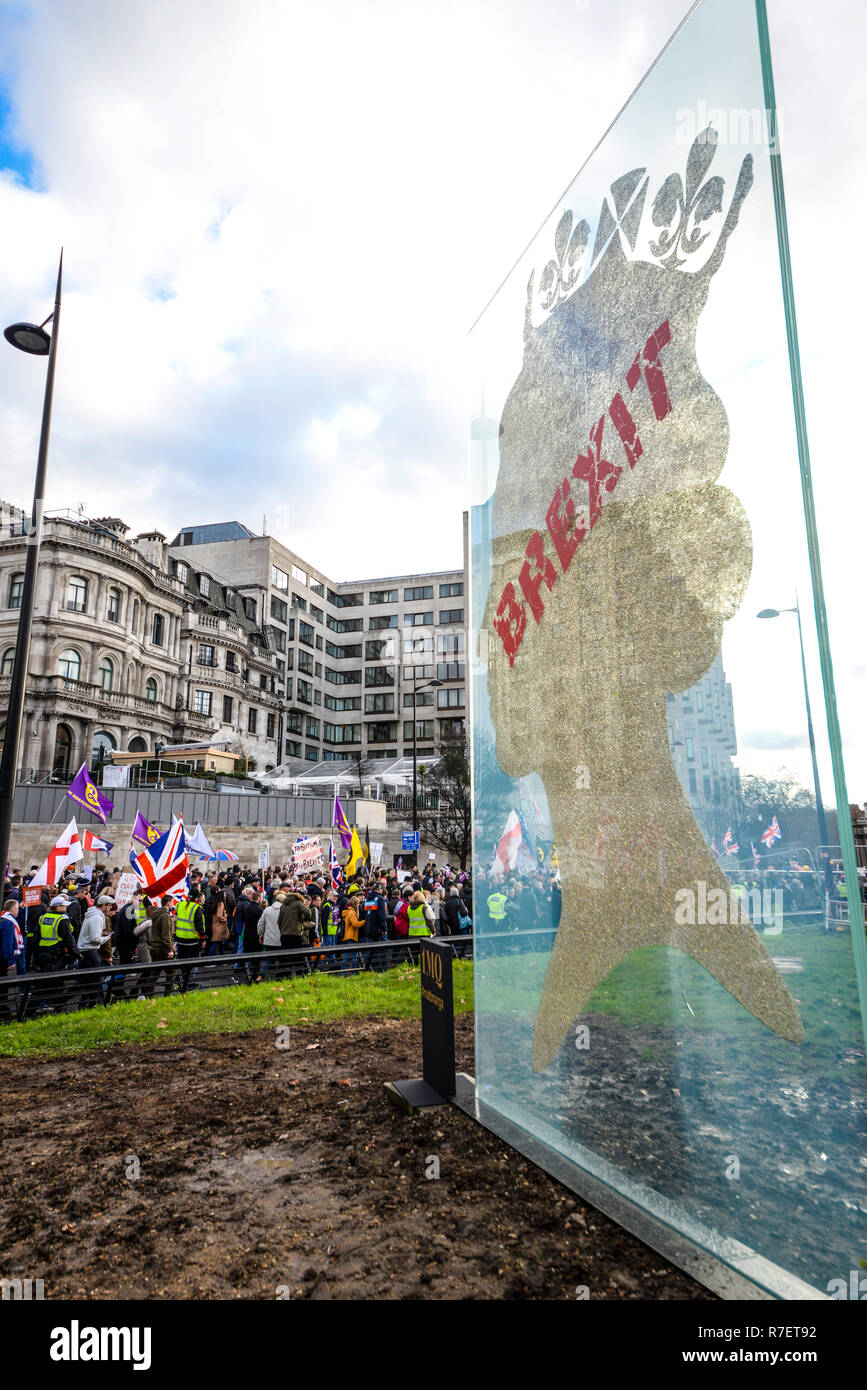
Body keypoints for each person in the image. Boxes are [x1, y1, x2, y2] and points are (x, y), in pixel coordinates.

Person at [174, 890, 207, 990]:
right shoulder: (196, 908)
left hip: (180, 939)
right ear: (197, 899)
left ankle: (180, 982)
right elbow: (199, 926)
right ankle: (189, 983)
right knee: (194, 962)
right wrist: (203, 939)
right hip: (192, 941)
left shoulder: (179, 905)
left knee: (181, 962)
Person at [0, 899, 23, 1022]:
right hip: (2, 960)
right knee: (3, 988)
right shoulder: (8, 922)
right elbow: (7, 944)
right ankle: (4, 1012)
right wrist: (10, 961)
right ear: (12, 909)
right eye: (17, 908)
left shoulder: (2, 918)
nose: (18, 911)